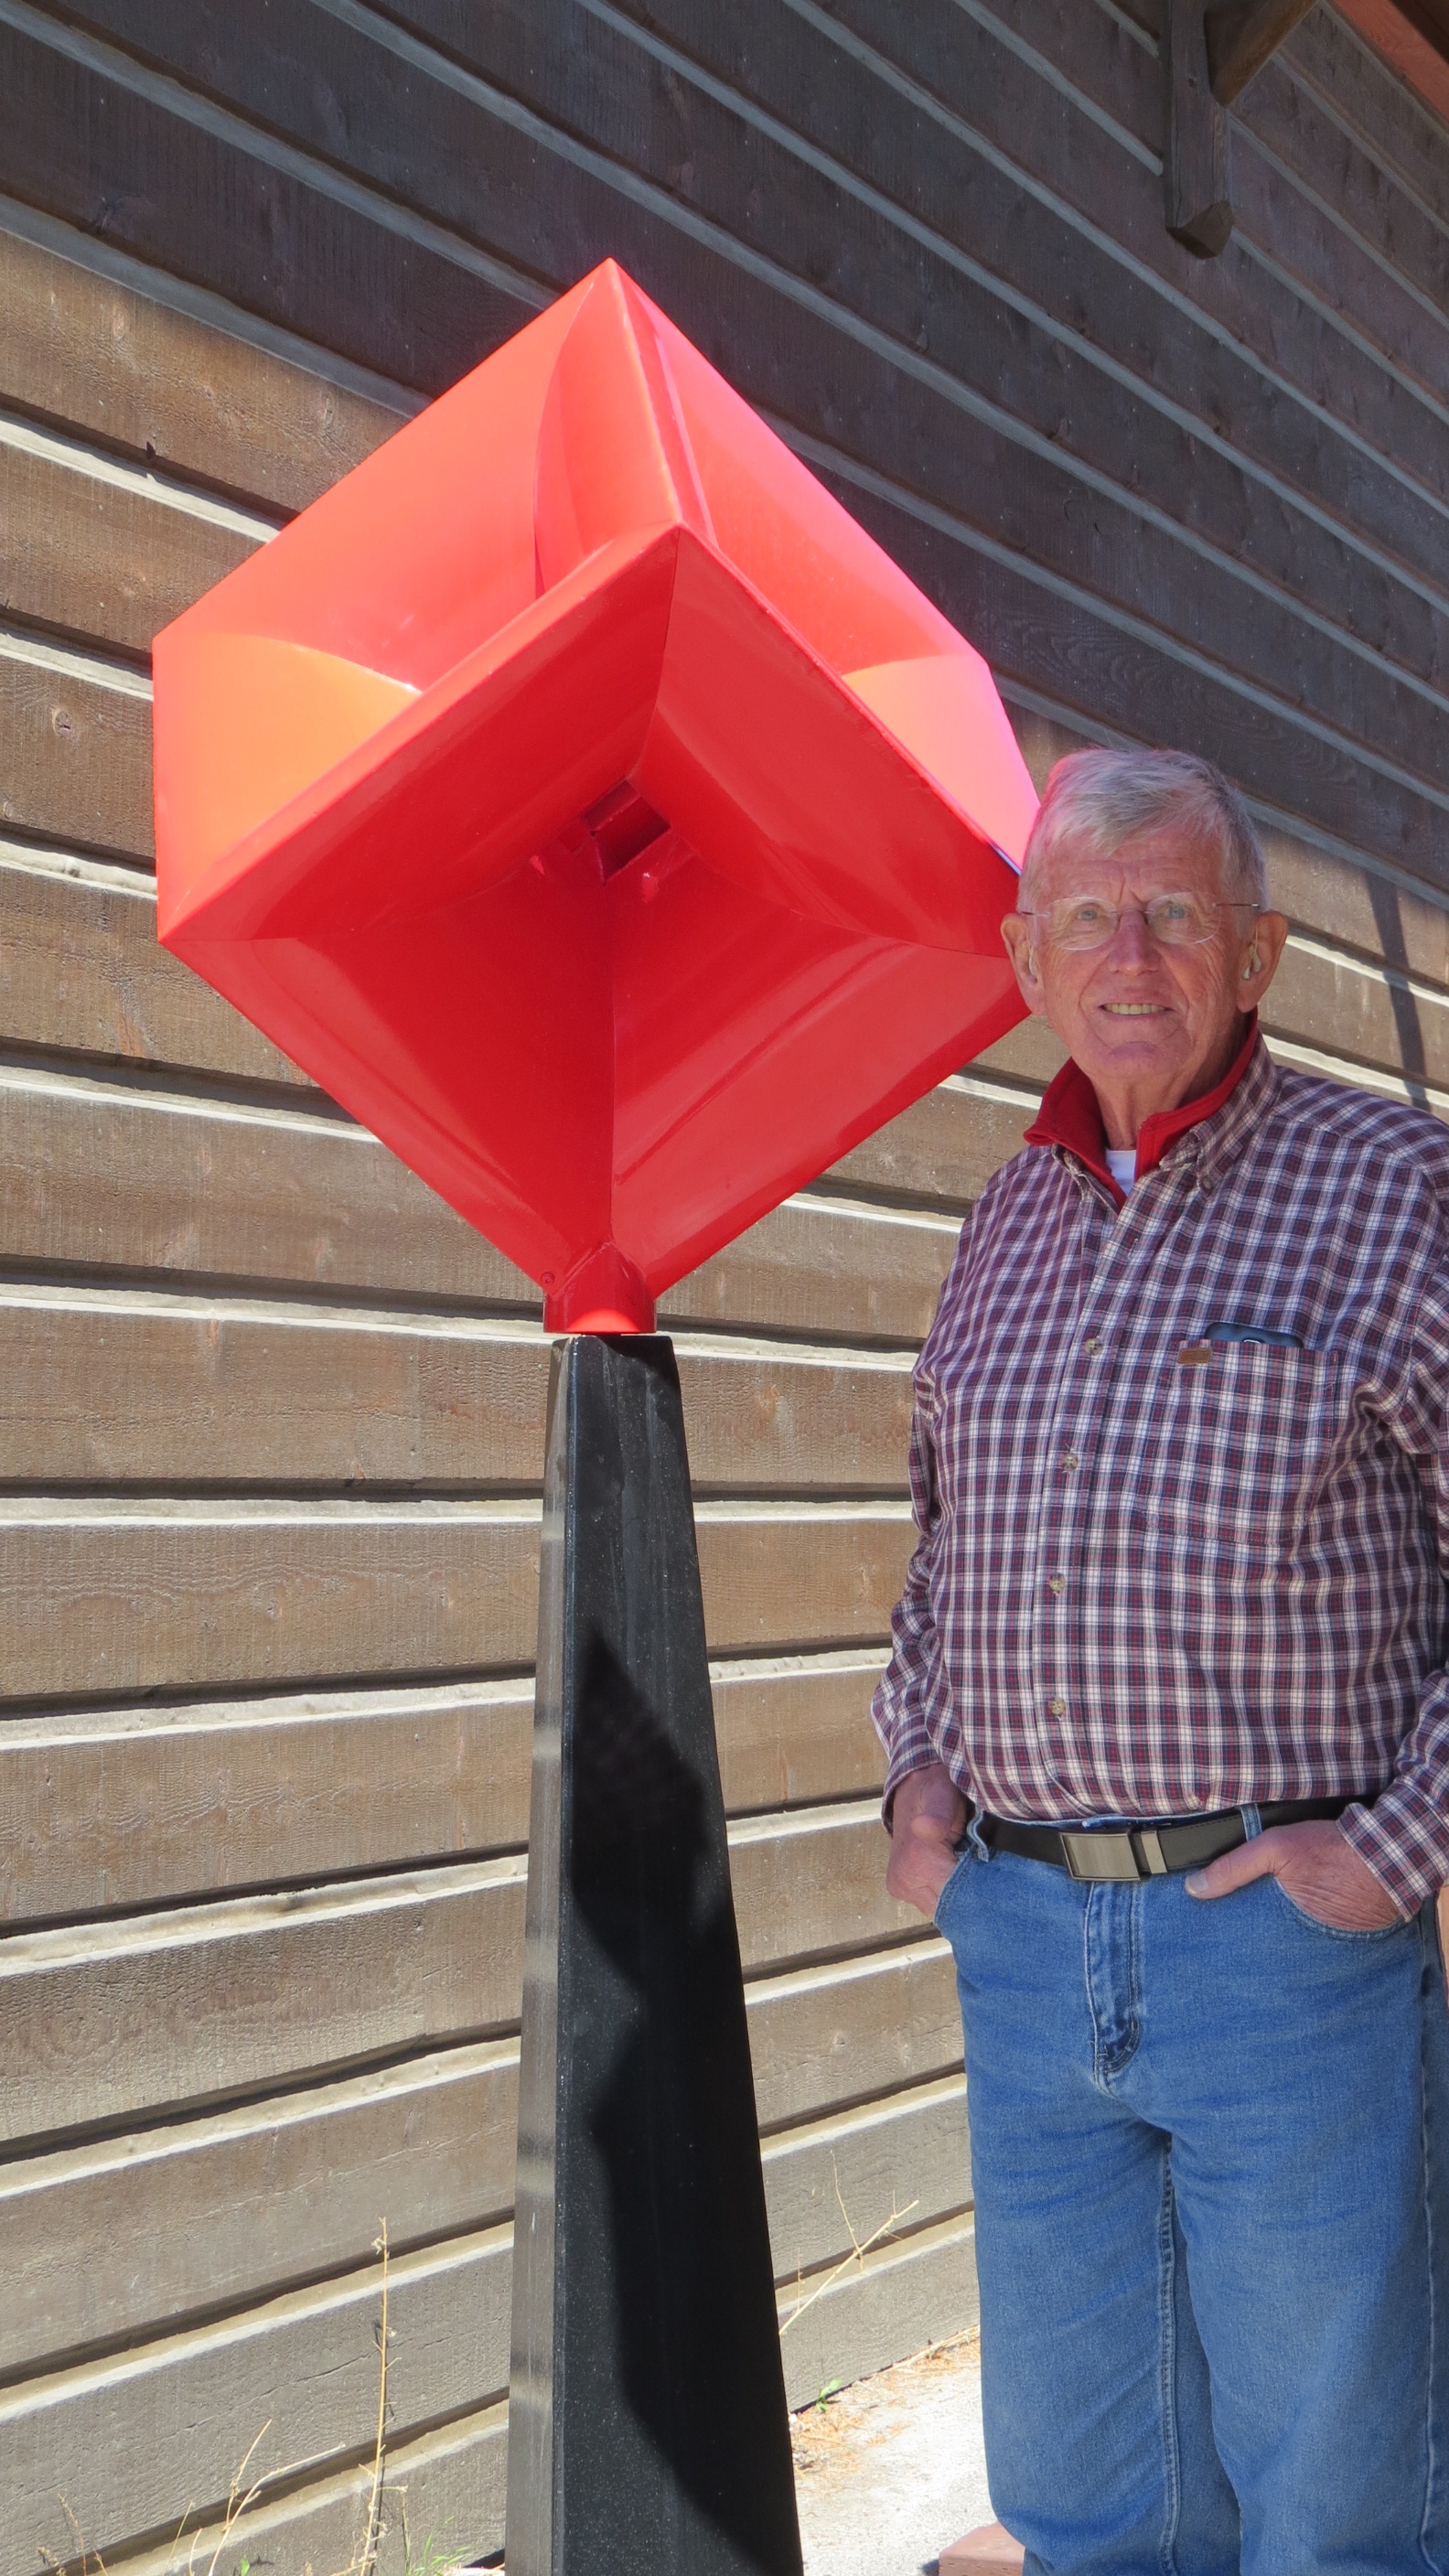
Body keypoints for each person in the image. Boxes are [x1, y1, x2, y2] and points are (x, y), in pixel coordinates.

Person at [873, 747, 1449, 2576]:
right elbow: (944, 1542)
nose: (1129, 956)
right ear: (1024, 956)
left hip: (1279, 1951)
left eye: (1175, 913)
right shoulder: (1005, 1220)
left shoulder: (1396, 1188)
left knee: (1337, 2511)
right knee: (1087, 2507)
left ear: (1258, 951)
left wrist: (1397, 1850)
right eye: (1087, 917)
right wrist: (918, 1769)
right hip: (1027, 1945)